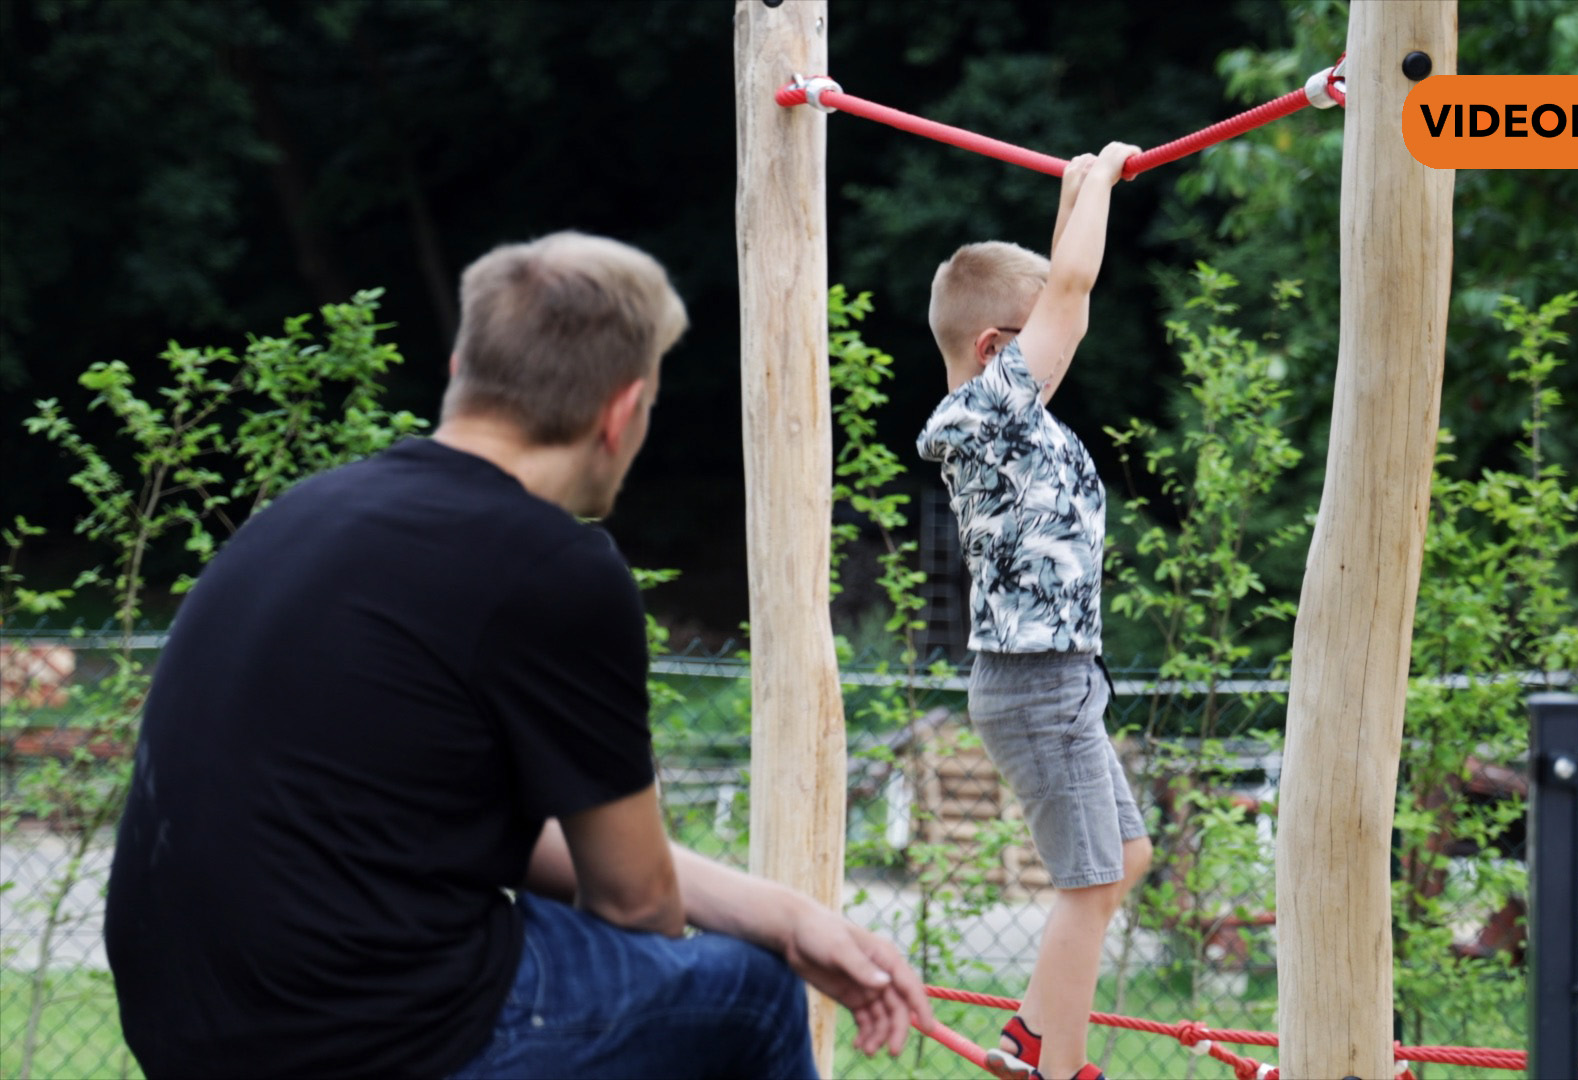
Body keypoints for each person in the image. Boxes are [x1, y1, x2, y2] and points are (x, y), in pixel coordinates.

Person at [104, 230, 931, 1079]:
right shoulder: (551, 567)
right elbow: (634, 903)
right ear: (623, 411)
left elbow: (488, 838)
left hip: (192, 1029)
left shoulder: (304, 516)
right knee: (745, 997)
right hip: (366, 1042)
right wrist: (770, 944)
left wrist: (787, 916)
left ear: (462, 366)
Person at [914, 143, 1152, 1080]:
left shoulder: (1009, 413)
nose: (1067, 343)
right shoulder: (992, 413)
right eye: (1041, 332)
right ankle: (1058, 1065)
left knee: (1121, 861)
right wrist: (1104, 180)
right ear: (996, 350)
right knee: (1088, 881)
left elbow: (1064, 292)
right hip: (1038, 682)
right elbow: (1076, 291)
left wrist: (1070, 193)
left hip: (1059, 682)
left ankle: (1027, 1040)